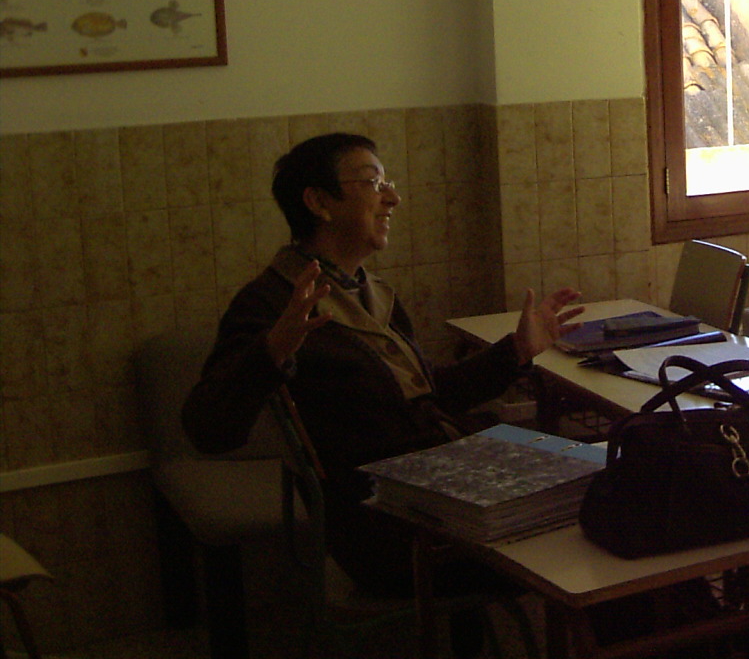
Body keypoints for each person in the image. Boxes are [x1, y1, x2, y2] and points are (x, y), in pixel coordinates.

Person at [183, 131, 582, 598]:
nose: (392, 198)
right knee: (595, 528)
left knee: (606, 490)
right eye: (373, 183)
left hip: (445, 487)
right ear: (318, 202)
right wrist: (271, 353)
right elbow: (208, 430)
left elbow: (427, 396)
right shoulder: (272, 305)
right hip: (389, 529)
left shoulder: (367, 291)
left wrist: (515, 351)